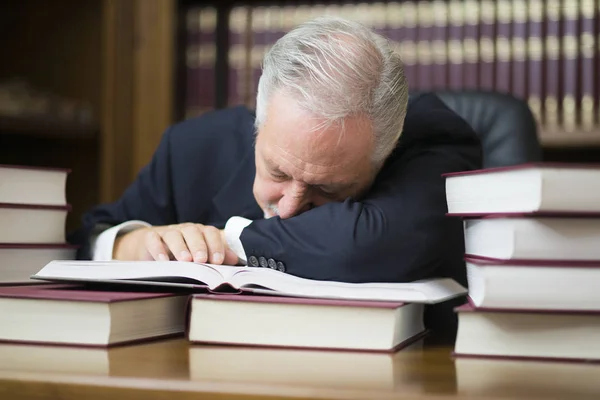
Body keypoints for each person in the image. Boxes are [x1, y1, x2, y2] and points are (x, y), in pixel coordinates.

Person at [68, 16, 481, 340]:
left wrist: (226, 244)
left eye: (327, 188)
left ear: (386, 151)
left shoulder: (431, 138)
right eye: (277, 172)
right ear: (259, 123)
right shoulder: (193, 148)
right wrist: (136, 243)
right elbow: (92, 237)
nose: (288, 208)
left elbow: (371, 244)